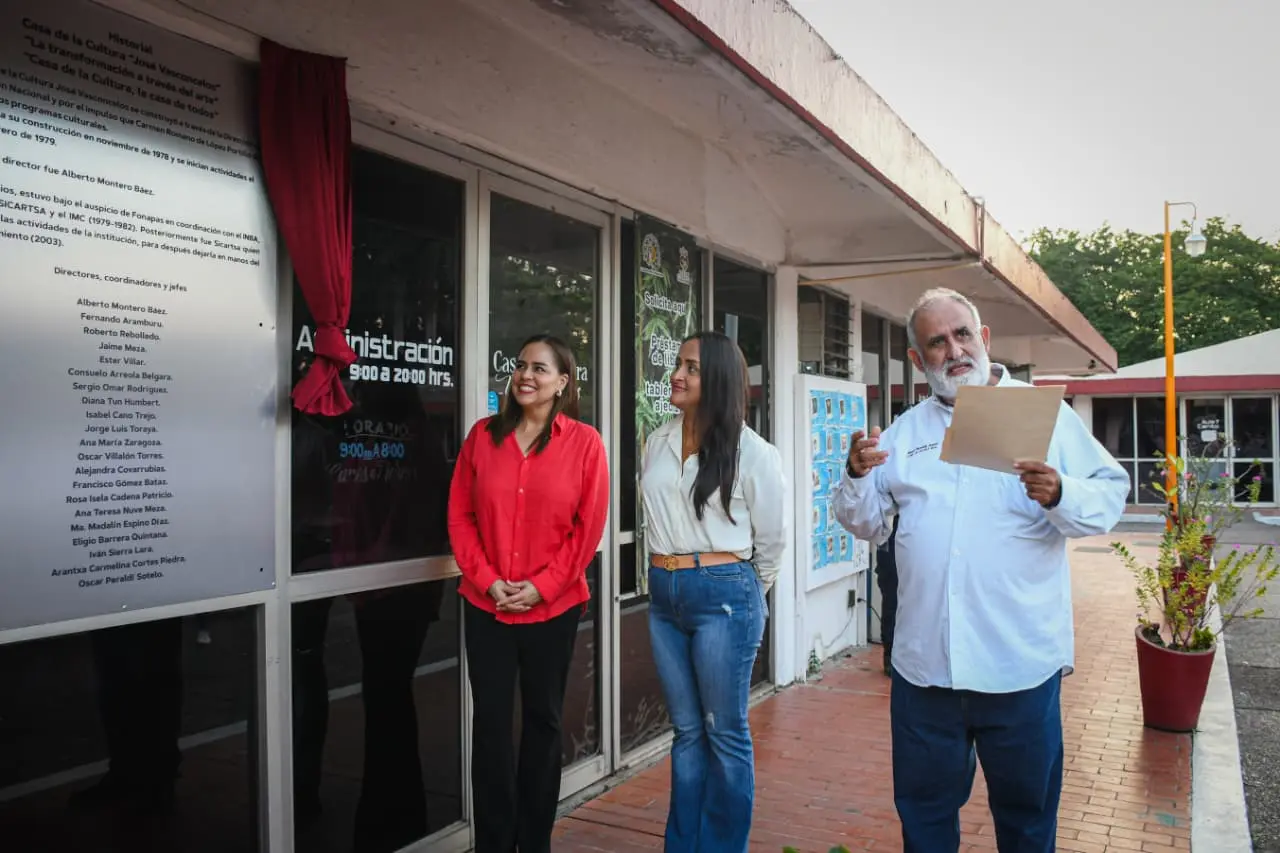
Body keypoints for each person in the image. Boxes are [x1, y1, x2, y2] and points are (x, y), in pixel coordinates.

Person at [832, 287, 1129, 853]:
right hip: (926, 674)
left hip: (1017, 669)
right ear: (919, 362)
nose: (954, 350)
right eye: (937, 343)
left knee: (1026, 825)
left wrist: (1062, 492)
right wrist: (855, 475)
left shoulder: (1045, 418)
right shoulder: (904, 433)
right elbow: (867, 523)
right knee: (924, 822)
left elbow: (1110, 495)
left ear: (984, 339)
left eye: (962, 334)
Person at [447, 334, 609, 853]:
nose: (525, 375)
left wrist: (541, 588)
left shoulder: (585, 443)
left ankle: (533, 841)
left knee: (543, 722)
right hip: (485, 604)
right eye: (520, 365)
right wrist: (488, 579)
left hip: (554, 609)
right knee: (491, 725)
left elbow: (587, 529)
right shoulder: (481, 438)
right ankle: (493, 843)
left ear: (563, 383)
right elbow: (460, 516)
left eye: (540, 369)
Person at [641, 331, 787, 853]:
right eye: (678, 364)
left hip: (725, 594)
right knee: (686, 733)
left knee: (724, 732)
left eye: (692, 368)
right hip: (664, 593)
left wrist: (748, 590)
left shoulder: (754, 453)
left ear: (720, 378)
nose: (676, 375)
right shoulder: (656, 440)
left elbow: (771, 542)